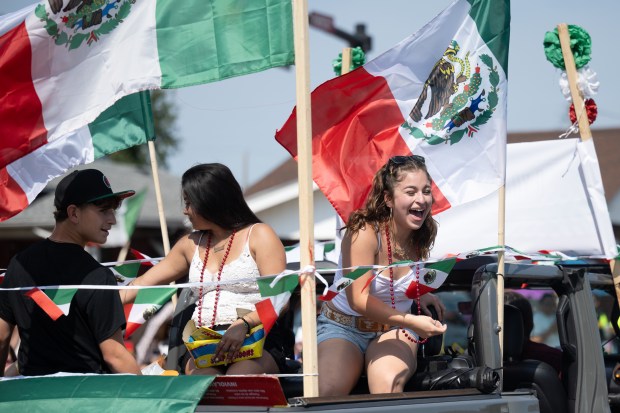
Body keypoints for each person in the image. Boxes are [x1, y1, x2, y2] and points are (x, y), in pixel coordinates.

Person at [124, 163, 288, 376]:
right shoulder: (189, 243)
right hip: (203, 345)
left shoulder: (260, 235)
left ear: (210, 201)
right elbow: (141, 284)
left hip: (257, 340)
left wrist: (244, 324)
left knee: (238, 381)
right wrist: (92, 302)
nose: (185, 210)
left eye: (189, 203)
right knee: (203, 385)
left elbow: (280, 299)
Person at [317, 155, 447, 396]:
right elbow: (359, 299)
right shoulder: (364, 231)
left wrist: (421, 294)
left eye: (426, 191)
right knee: (327, 392)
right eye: (411, 191)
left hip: (392, 329)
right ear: (388, 198)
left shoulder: (423, 232)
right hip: (343, 327)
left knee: (388, 383)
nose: (421, 199)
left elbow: (398, 282)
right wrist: (411, 321)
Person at [0, 169, 142, 376]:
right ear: (73, 213)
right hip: (83, 399)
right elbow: (115, 355)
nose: (113, 219)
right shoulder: (97, 276)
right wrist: (152, 398)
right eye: (104, 210)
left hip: (30, 400)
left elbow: (1, 337)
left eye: (113, 210)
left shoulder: (19, 263)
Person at [504, 291, 562, 375]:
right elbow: (535, 338)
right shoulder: (553, 357)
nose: (549, 307)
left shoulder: (482, 357)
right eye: (547, 304)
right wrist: (550, 330)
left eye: (551, 304)